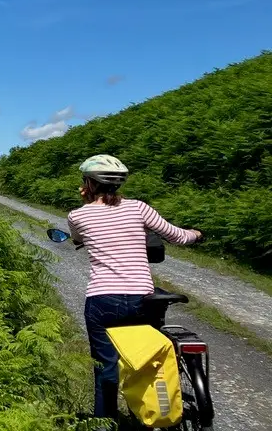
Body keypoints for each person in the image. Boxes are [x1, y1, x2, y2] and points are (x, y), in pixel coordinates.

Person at [66, 154, 202, 419]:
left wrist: (89, 203)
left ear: (89, 184)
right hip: (142, 298)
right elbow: (177, 236)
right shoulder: (138, 208)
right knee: (148, 358)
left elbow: (77, 238)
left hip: (102, 300)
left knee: (106, 367)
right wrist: (196, 234)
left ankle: (105, 423)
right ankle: (153, 411)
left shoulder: (77, 215)